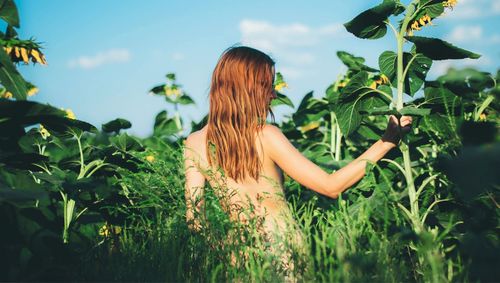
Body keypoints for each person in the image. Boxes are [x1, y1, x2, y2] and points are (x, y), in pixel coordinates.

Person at [183, 45, 412, 270]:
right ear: (245, 88)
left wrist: (227, 252)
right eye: (265, 85)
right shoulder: (266, 135)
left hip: (238, 257)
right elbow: (331, 186)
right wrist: (387, 141)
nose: (273, 94)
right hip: (282, 252)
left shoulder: (194, 143)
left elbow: (195, 221)